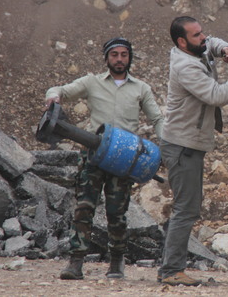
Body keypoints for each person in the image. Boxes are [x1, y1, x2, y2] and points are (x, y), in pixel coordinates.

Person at [45, 37, 164, 280]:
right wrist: (53, 96)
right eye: (114, 55)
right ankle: (75, 263)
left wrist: (166, 146)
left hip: (124, 158)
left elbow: (157, 119)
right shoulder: (91, 82)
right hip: (93, 154)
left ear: (129, 58)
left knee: (116, 212)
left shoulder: (141, 88)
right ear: (107, 58)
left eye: (124, 55)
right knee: (83, 207)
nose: (119, 59)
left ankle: (117, 261)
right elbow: (61, 91)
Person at [158, 16, 228, 286]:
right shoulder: (185, 67)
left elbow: (212, 43)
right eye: (196, 35)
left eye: (201, 32)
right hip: (182, 146)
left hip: (190, 144)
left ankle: (172, 267)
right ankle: (171, 270)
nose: (203, 38)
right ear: (182, 42)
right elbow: (216, 95)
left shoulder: (196, 48)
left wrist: (226, 50)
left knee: (187, 207)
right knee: (186, 209)